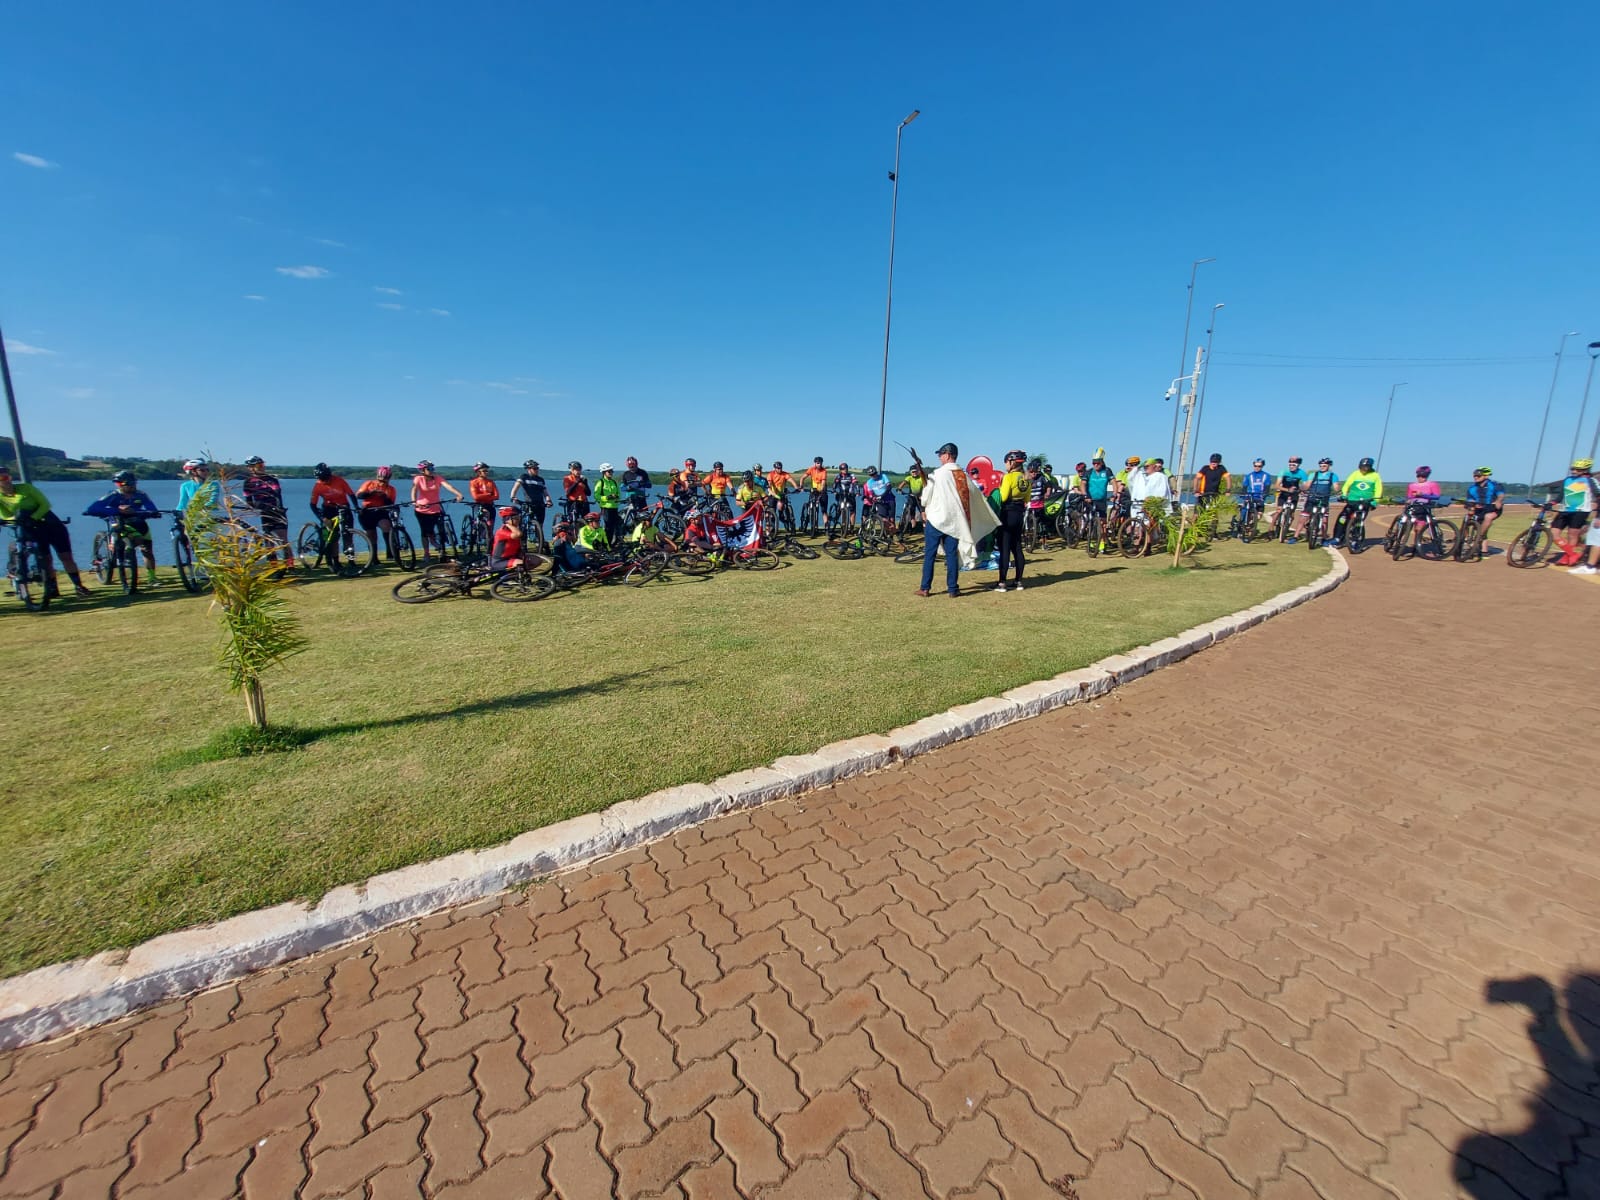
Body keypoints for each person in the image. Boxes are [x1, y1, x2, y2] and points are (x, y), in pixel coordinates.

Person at [918, 442, 999, 597]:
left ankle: (925, 587)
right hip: (955, 522)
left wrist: (925, 504)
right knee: (952, 555)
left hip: (936, 520)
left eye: (940, 454)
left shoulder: (938, 474)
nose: (939, 457)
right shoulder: (963, 475)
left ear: (947, 455)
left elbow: (926, 497)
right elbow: (975, 498)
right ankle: (953, 589)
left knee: (930, 554)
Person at [0, 464, 91, 597]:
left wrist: (34, 517)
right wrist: (18, 519)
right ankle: (52, 587)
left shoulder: (26, 488)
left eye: (6, 477)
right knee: (45, 559)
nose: (5, 480)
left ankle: (78, 586)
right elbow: (5, 515)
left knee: (65, 557)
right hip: (29, 527)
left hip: (50, 523)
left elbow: (45, 504)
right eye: (1, 478)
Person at [85, 470, 161, 580]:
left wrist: (151, 513)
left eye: (134, 483)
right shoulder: (113, 495)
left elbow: (152, 509)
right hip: (118, 522)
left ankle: (152, 577)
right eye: (129, 484)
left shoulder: (141, 495)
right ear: (120, 485)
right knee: (118, 541)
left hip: (138, 522)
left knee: (147, 550)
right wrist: (117, 510)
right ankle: (106, 556)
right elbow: (92, 509)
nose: (132, 486)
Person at [242, 455, 294, 565]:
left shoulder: (272, 480)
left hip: (277, 512)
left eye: (262, 465)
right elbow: (249, 500)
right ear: (250, 467)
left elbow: (277, 494)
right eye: (259, 465)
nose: (262, 467)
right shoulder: (248, 482)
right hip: (263, 514)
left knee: (282, 539)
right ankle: (273, 566)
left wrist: (277, 507)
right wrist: (252, 508)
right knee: (268, 541)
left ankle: (290, 564)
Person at [412, 460, 463, 564]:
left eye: (432, 468)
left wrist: (458, 494)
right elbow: (414, 490)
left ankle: (442, 550)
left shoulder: (437, 478)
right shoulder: (418, 479)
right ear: (422, 470)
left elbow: (448, 486)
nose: (431, 471)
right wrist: (414, 501)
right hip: (422, 509)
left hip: (435, 508)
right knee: (425, 532)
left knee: (441, 530)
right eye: (429, 469)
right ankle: (426, 553)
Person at [1554, 459, 1598, 566]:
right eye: (1572, 468)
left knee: (1572, 534)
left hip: (1581, 511)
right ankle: (1572, 554)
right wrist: (1551, 503)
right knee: (1554, 534)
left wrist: (1597, 511)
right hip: (1565, 510)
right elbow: (1560, 496)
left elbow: (1598, 496)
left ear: (1585, 470)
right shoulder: (1567, 479)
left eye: (1577, 469)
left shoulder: (1591, 481)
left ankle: (1567, 556)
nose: (1573, 471)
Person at [995, 450, 1028, 592]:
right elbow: (1027, 499)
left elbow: (1002, 497)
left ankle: (1002, 582)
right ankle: (1018, 581)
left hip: (1007, 514)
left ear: (1011, 462)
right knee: (1017, 547)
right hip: (1019, 513)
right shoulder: (1025, 478)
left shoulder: (1008, 477)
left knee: (1005, 548)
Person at [355, 466, 399, 568]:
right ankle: (374, 558)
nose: (383, 482)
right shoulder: (369, 484)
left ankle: (390, 551)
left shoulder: (391, 489)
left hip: (381, 511)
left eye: (386, 479)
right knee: (371, 535)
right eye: (381, 479)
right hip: (367, 511)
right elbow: (359, 495)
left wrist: (384, 497)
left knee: (386, 525)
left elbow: (391, 503)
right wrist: (371, 493)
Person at [1333, 457, 1383, 543]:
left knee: (1359, 521)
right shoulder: (1355, 474)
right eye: (1362, 467)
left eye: (1366, 467)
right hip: (1352, 500)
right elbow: (1347, 484)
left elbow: (1378, 489)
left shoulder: (1375, 476)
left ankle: (1356, 537)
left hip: (1366, 501)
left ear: (1370, 467)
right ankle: (1337, 537)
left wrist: (1375, 501)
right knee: (1342, 518)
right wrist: (1344, 494)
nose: (1364, 469)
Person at [509, 460, 552, 549]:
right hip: (528, 503)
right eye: (534, 468)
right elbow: (516, 486)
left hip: (540, 504)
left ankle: (539, 542)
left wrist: (548, 500)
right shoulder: (524, 477)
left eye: (537, 468)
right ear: (528, 469)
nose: (536, 470)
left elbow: (545, 492)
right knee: (524, 524)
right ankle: (523, 542)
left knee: (539, 525)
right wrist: (513, 497)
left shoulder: (540, 480)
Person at [1465, 466, 1506, 553]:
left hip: (1492, 508)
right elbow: (1470, 499)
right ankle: (1483, 549)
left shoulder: (1495, 485)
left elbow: (1501, 495)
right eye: (1474, 476)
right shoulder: (1472, 488)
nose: (1476, 477)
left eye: (1478, 476)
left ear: (1486, 476)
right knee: (1469, 519)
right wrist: (1472, 507)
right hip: (1479, 508)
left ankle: (1478, 537)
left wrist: (1498, 501)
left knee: (1488, 517)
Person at [1296, 458, 1339, 539]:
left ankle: (1323, 538)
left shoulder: (1333, 476)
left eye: (1324, 466)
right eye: (1320, 466)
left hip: (1324, 499)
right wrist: (1301, 488)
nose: (1322, 467)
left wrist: (1338, 490)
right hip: (1312, 497)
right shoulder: (1313, 474)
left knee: (1325, 520)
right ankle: (1295, 536)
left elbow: (1336, 486)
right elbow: (1307, 485)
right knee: (1303, 518)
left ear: (1329, 466)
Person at [593, 463, 623, 544]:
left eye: (611, 471)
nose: (611, 473)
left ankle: (613, 544)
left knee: (616, 526)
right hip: (605, 508)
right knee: (608, 527)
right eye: (609, 471)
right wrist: (606, 497)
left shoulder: (614, 482)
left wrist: (616, 497)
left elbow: (619, 493)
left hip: (614, 507)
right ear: (604, 472)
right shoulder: (600, 482)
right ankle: (606, 545)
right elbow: (596, 495)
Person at [468, 462, 500, 534]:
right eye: (484, 471)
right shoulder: (473, 482)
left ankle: (488, 539)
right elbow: (475, 497)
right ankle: (475, 529)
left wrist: (482, 496)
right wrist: (488, 495)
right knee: (484, 514)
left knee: (490, 526)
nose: (486, 472)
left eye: (487, 471)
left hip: (490, 505)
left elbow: (497, 496)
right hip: (479, 504)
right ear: (478, 472)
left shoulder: (491, 482)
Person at [490, 506, 525, 571]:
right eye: (516, 518)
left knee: (537, 560)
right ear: (508, 520)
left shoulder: (514, 529)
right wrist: (507, 524)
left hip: (512, 558)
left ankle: (516, 573)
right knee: (521, 563)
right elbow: (518, 534)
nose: (518, 521)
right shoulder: (501, 532)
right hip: (499, 562)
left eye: (519, 518)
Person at [864, 465, 896, 536]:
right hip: (880, 502)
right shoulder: (869, 482)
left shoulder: (883, 476)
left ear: (876, 472)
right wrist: (874, 497)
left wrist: (882, 495)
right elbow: (871, 492)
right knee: (883, 519)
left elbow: (889, 487)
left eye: (874, 474)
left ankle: (892, 534)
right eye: (871, 475)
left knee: (892, 519)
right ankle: (885, 533)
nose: (873, 476)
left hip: (889, 499)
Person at [765, 460, 796, 531]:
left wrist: (796, 487)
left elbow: (791, 480)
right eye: (778, 468)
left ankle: (784, 519)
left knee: (780, 508)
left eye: (780, 468)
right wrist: (769, 488)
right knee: (772, 512)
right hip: (773, 494)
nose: (780, 470)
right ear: (775, 468)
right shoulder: (771, 474)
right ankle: (772, 528)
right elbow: (769, 484)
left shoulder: (784, 474)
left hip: (781, 495)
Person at [832, 462, 859, 531]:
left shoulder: (851, 475)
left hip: (850, 494)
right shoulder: (838, 476)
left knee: (852, 511)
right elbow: (835, 483)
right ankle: (841, 523)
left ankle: (852, 527)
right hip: (841, 494)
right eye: (843, 469)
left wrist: (858, 491)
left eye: (846, 468)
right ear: (840, 470)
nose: (845, 470)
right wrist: (834, 490)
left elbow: (855, 483)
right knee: (840, 508)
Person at [802, 457, 829, 524]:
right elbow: (803, 477)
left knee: (824, 510)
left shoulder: (824, 471)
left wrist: (822, 490)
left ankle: (826, 527)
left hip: (822, 491)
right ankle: (807, 517)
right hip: (813, 491)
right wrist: (801, 486)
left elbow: (823, 482)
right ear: (815, 463)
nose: (819, 464)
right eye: (817, 463)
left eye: (820, 463)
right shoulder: (811, 469)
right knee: (811, 504)